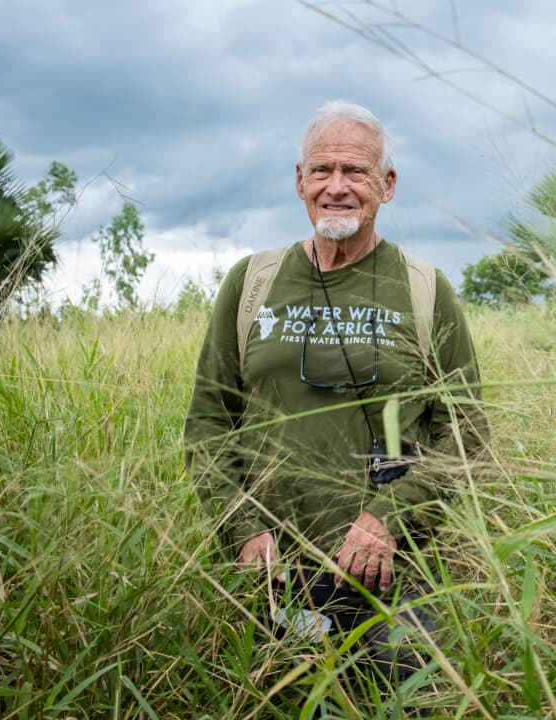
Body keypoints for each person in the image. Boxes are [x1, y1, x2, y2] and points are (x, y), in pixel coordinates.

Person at [183, 100, 488, 709]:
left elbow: (467, 434)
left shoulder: (426, 289)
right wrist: (242, 531)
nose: (337, 187)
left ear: (387, 185)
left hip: (396, 581)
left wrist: (389, 518)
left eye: (356, 171)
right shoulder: (253, 282)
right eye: (322, 170)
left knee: (401, 706)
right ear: (299, 181)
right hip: (274, 579)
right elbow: (209, 423)